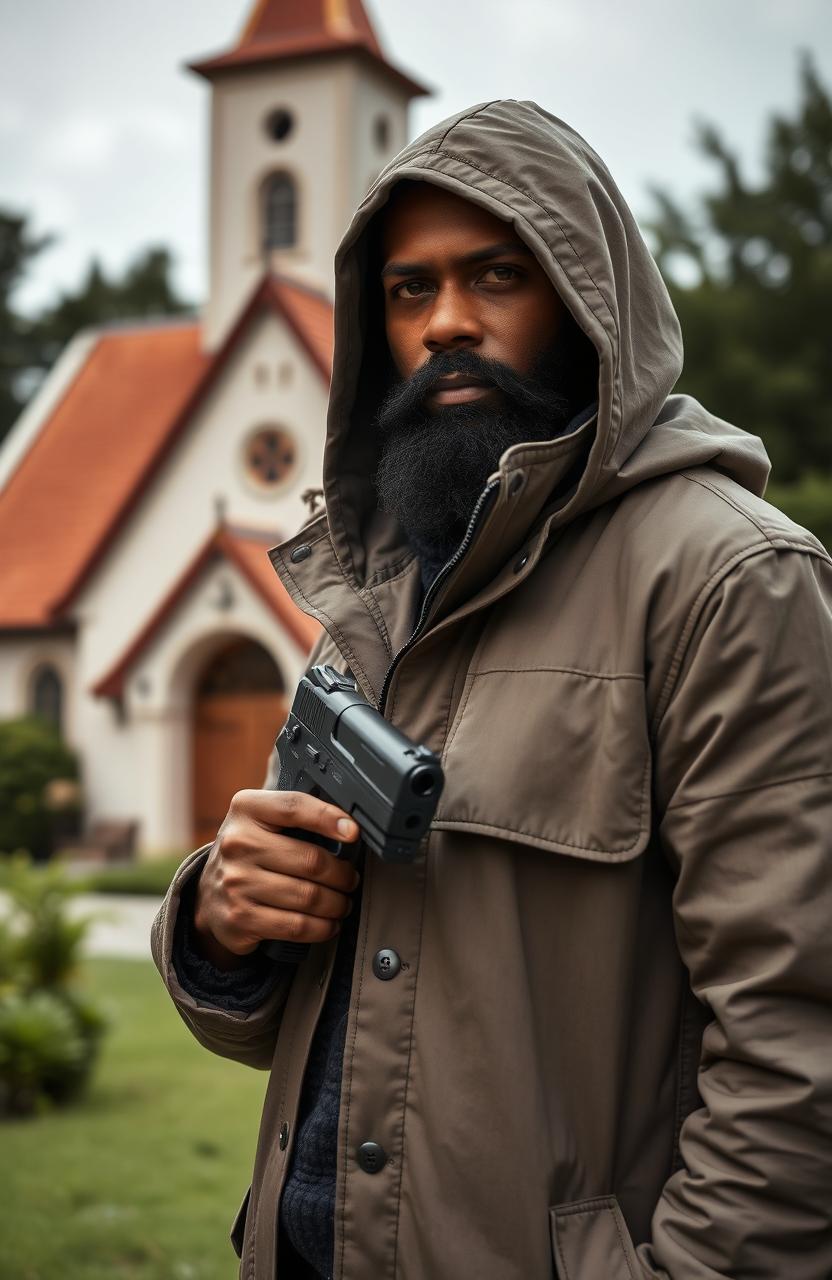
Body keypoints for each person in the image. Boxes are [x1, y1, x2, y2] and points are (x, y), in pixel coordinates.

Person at [152, 100, 832, 1280]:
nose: (445, 322)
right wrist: (223, 921)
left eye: (496, 275)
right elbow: (300, 1013)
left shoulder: (730, 579)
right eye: (408, 290)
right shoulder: (377, 582)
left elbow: (798, 1045)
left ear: (585, 300)